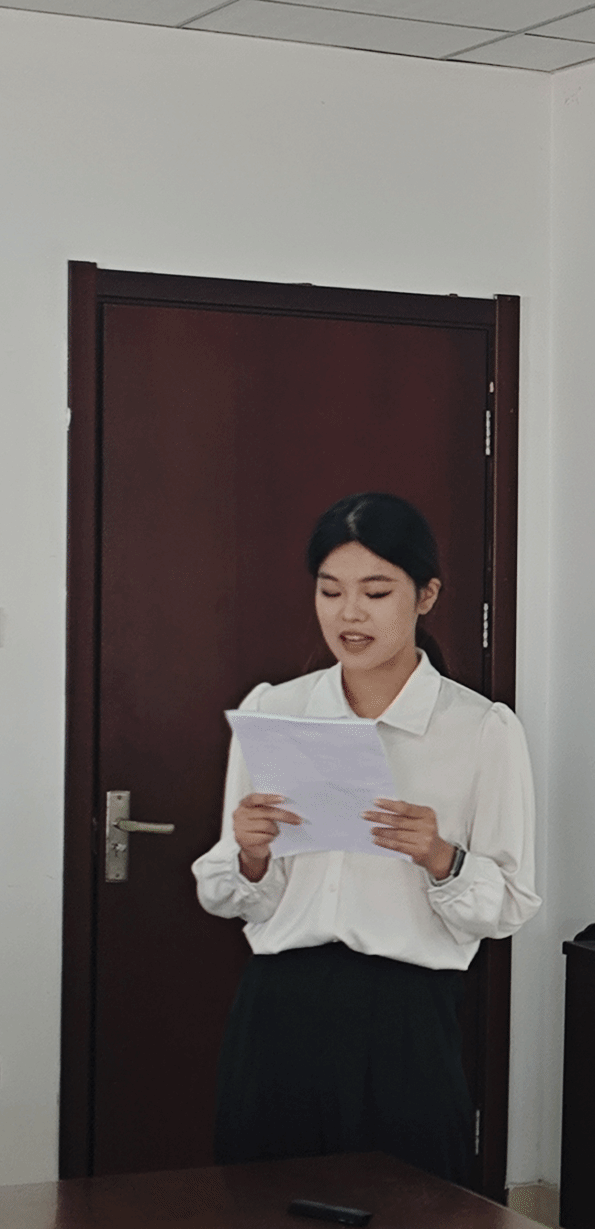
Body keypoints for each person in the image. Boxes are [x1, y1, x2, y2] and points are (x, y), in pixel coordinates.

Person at [192, 492, 541, 1182]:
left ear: (426, 595)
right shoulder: (277, 710)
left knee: (409, 1227)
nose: (349, 613)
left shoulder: (480, 729)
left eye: (376, 592)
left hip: (405, 1017)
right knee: (261, 1220)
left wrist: (441, 857)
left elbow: (508, 905)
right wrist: (251, 856)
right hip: (279, 1008)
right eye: (331, 591)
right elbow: (234, 895)